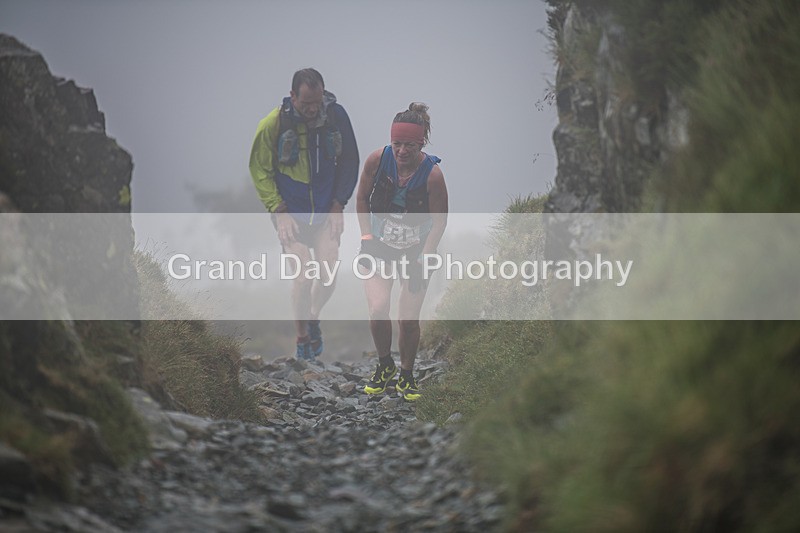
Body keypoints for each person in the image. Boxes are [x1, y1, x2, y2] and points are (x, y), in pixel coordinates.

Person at [249, 68, 359, 361]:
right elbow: (260, 170)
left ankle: (313, 317)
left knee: (329, 270)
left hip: (325, 210)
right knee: (303, 274)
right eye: (306, 103)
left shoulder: (336, 116)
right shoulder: (273, 123)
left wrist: (339, 204)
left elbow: (349, 160)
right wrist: (278, 211)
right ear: (292, 96)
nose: (312, 109)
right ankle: (301, 338)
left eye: (317, 101)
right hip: (290, 212)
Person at [356, 103, 448, 401]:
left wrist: (426, 255)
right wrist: (367, 236)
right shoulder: (376, 160)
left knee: (408, 319)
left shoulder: (432, 175)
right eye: (397, 143)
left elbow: (439, 222)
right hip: (379, 245)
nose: (402, 151)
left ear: (421, 142)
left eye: (409, 144)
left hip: (416, 251)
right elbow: (361, 199)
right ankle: (385, 366)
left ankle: (407, 375)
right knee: (378, 307)